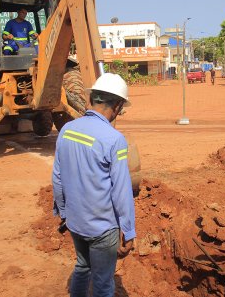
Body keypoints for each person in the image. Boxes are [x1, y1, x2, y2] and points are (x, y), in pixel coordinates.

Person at [52, 73, 136, 297]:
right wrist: (128, 230)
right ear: (117, 105)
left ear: (92, 99)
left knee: (82, 266)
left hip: (76, 222)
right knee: (103, 283)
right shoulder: (114, 139)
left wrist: (63, 212)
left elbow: (57, 177)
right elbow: (121, 191)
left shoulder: (66, 130)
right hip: (102, 228)